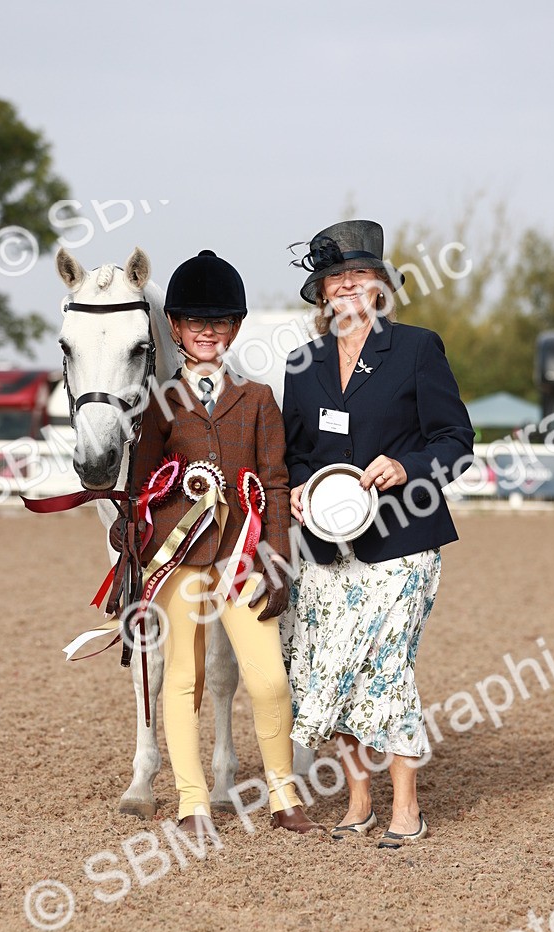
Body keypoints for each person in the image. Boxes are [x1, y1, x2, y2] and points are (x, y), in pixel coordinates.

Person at [281, 220, 474, 848]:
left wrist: (407, 466)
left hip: (403, 540)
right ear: (321, 291)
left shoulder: (417, 349)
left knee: (387, 670)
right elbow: (297, 453)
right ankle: (360, 800)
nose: (348, 288)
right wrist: (302, 486)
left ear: (381, 286)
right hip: (325, 548)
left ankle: (406, 807)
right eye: (336, 279)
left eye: (360, 277)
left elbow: (456, 443)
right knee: (332, 668)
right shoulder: (302, 364)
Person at [126, 250, 322, 836]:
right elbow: (140, 482)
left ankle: (285, 794)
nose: (207, 332)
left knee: (268, 678)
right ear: (178, 330)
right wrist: (131, 532)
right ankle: (192, 801)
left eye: (219, 323)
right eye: (194, 323)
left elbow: (278, 479)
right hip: (179, 560)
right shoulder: (158, 404)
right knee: (182, 678)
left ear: (234, 329)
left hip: (243, 555)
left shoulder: (258, 398)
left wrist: (278, 558)